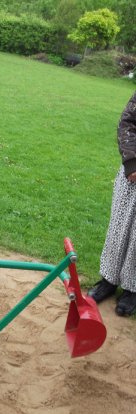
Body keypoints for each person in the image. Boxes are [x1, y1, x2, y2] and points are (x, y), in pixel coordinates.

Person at [88, 92, 136, 317]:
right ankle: (108, 280)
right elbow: (127, 121)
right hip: (132, 175)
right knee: (118, 230)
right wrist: (132, 163)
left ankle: (132, 289)